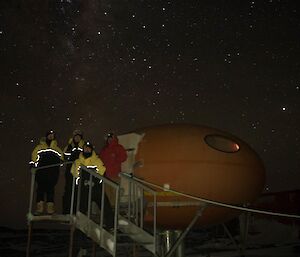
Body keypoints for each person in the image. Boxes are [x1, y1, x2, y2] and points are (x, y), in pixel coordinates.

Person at [71, 141, 114, 229]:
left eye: (89, 148)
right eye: (85, 148)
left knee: (105, 205)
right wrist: (81, 182)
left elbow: (102, 172)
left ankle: (111, 225)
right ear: (83, 150)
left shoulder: (97, 160)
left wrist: (96, 181)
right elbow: (74, 173)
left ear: (91, 150)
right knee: (81, 207)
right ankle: (80, 226)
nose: (87, 150)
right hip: (83, 189)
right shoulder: (78, 161)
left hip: (96, 188)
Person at [29, 130, 63, 214]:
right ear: (46, 136)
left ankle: (50, 209)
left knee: (50, 190)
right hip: (41, 173)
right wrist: (32, 165)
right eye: (49, 135)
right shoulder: (39, 147)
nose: (51, 137)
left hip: (52, 174)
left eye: (52, 135)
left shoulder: (57, 149)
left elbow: (62, 160)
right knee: (40, 189)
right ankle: (39, 209)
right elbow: (33, 158)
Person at [99, 132, 127, 205]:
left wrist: (115, 158)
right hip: (106, 175)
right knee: (107, 193)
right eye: (108, 138)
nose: (109, 140)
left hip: (115, 175)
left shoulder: (118, 147)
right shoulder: (104, 149)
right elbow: (100, 160)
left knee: (115, 193)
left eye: (111, 138)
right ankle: (108, 209)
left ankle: (114, 209)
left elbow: (124, 157)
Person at [62, 129, 84, 214]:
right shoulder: (69, 146)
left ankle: (77, 210)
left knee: (79, 190)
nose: (77, 138)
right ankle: (67, 210)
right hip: (69, 171)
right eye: (76, 136)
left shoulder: (84, 145)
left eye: (79, 136)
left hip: (80, 170)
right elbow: (64, 156)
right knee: (69, 189)